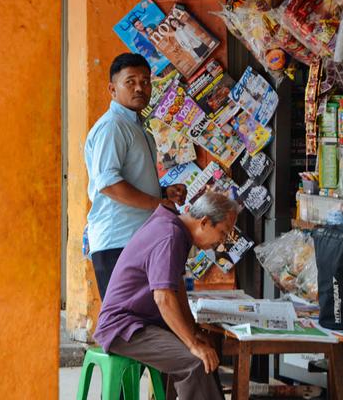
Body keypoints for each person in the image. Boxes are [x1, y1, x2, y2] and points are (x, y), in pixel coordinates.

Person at [93, 192, 240, 400]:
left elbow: (177, 290)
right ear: (205, 222)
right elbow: (163, 298)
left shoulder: (174, 228)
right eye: (223, 233)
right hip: (124, 327)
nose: (222, 242)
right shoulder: (170, 234)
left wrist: (194, 332)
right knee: (195, 362)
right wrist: (191, 344)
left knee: (206, 352)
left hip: (143, 323)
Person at [84, 53, 187, 300]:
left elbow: (128, 178)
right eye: (130, 82)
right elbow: (107, 184)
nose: (140, 88)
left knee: (139, 319)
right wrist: (156, 203)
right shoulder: (113, 127)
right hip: (117, 239)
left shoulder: (136, 126)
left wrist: (163, 192)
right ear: (112, 89)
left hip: (136, 237)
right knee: (122, 322)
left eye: (145, 81)